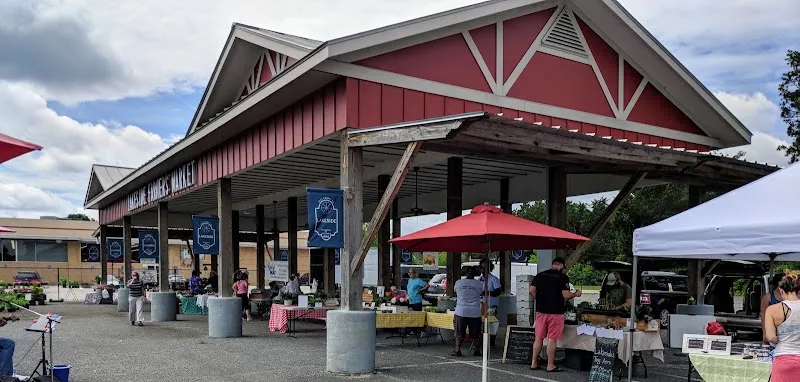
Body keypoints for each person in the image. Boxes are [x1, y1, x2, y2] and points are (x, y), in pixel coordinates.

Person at [529, 257, 581, 372]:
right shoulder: (563, 277)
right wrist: (576, 294)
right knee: (552, 339)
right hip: (556, 312)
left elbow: (531, 290)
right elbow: (566, 295)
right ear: (561, 265)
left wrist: (539, 299)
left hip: (541, 311)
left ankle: (533, 363)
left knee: (538, 338)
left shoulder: (540, 275)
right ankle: (550, 365)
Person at [763, 272, 800, 382]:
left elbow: (770, 337)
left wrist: (779, 338)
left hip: (783, 357)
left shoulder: (773, 310)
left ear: (781, 290)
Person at [451, 266, 483, 357]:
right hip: (474, 311)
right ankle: (477, 351)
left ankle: (457, 350)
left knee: (459, 332)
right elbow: (481, 293)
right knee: (476, 333)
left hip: (461, 311)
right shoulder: (478, 284)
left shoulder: (458, 282)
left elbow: (455, 291)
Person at [479, 258, 502, 348]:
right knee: (481, 324)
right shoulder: (479, 280)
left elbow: (498, 292)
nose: (483, 270)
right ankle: (482, 341)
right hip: (481, 305)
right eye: (481, 267)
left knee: (492, 324)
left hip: (491, 305)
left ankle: (492, 343)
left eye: (485, 268)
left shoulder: (494, 279)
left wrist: (487, 292)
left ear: (489, 268)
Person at [761, 273, 785, 342]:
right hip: (773, 329)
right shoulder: (767, 297)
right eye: (784, 280)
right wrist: (765, 333)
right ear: (778, 283)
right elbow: (763, 316)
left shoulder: (789, 296)